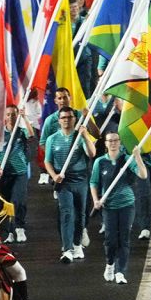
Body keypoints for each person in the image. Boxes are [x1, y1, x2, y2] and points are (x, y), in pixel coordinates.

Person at [90, 133, 148, 284]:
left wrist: (137, 157)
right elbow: (93, 183)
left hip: (127, 204)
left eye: (116, 140)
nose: (113, 143)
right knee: (111, 240)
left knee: (124, 239)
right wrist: (96, 200)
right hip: (109, 206)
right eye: (110, 141)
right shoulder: (100, 162)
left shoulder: (127, 159)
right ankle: (110, 264)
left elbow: (143, 175)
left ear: (120, 142)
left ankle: (121, 272)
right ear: (106, 144)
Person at [42, 106, 96, 262]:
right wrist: (54, 176)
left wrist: (85, 135)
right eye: (63, 117)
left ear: (74, 119)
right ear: (59, 121)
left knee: (80, 214)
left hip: (80, 180)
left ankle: (77, 244)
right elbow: (47, 161)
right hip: (63, 181)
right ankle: (67, 249)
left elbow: (92, 153)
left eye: (69, 117)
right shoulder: (52, 139)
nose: (66, 120)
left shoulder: (80, 136)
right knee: (66, 213)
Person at [0, 105, 33, 243]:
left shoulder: (21, 132)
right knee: (7, 203)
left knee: (18, 200)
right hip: (5, 173)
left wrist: (24, 117)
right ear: (4, 117)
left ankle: (20, 227)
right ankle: (10, 232)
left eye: (14, 114)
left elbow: (31, 135)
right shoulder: (0, 134)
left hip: (20, 172)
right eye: (8, 114)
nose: (11, 117)